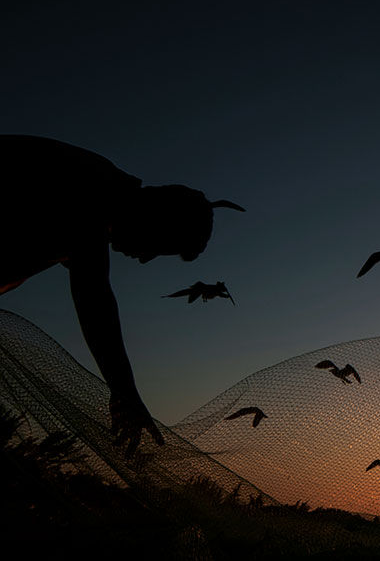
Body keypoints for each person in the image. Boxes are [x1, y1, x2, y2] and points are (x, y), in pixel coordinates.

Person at [0, 135, 244, 457]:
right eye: (156, 247)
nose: (144, 259)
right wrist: (125, 392)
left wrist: (124, 390)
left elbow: (93, 290)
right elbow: (95, 297)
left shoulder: (94, 199)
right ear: (154, 216)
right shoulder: (90, 192)